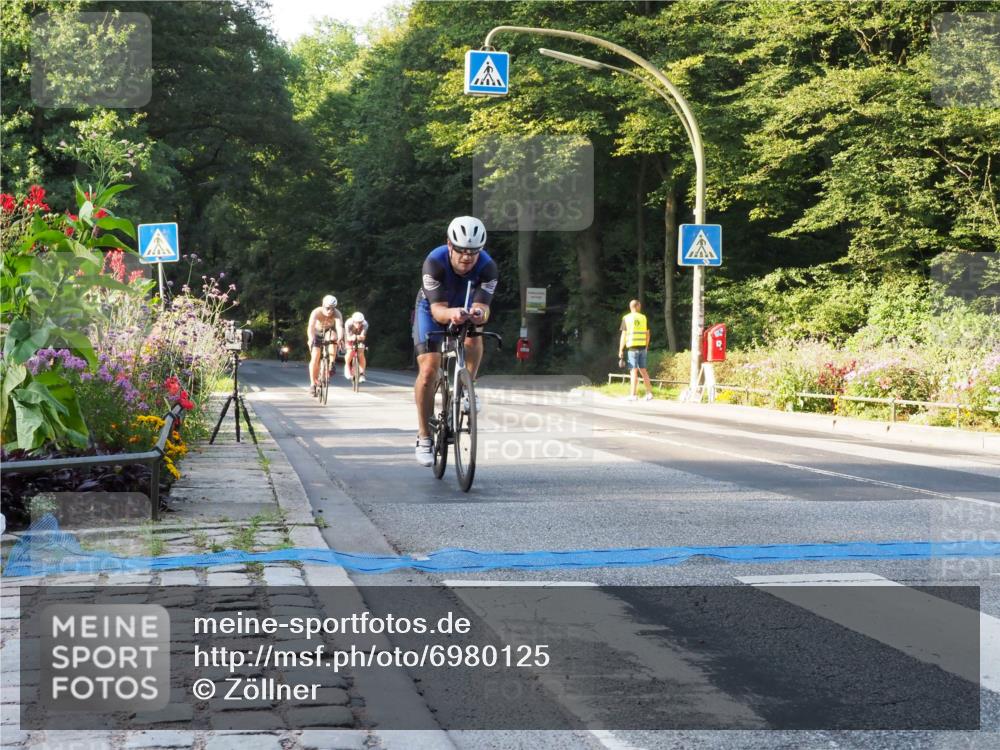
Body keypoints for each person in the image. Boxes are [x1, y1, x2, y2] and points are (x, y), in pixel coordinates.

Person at [412, 216, 498, 466]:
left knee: (475, 330)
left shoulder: (488, 267)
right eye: (460, 250)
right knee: (428, 369)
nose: (466, 257)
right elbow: (438, 311)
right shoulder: (434, 262)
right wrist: (453, 313)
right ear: (449, 245)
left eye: (473, 252)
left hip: (466, 305)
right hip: (431, 309)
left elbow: (484, 308)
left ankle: (468, 387)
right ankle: (424, 436)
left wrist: (479, 313)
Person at [306, 294, 344, 397]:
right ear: (323, 306)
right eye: (328, 308)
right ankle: (313, 384)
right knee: (315, 357)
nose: (330, 311)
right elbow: (310, 327)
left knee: (334, 338)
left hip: (328, 331)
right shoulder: (316, 312)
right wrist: (310, 338)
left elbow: (339, 327)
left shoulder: (337, 313)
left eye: (332, 309)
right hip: (317, 332)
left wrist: (340, 337)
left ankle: (332, 363)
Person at [619, 299, 653, 401]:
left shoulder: (626, 318)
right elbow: (648, 334)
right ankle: (649, 393)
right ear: (637, 306)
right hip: (642, 348)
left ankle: (633, 395)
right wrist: (646, 347)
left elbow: (624, 335)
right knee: (643, 371)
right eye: (640, 305)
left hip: (632, 348)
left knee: (633, 371)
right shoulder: (643, 318)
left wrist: (620, 349)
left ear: (630, 307)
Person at [344, 311, 368, 382]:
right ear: (353, 321)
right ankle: (347, 366)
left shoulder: (365, 324)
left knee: (361, 352)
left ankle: (362, 374)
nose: (358, 324)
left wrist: (359, 337)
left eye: (360, 322)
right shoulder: (348, 323)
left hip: (359, 336)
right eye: (356, 322)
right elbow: (348, 336)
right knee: (350, 351)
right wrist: (352, 338)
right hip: (350, 336)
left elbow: (363, 336)